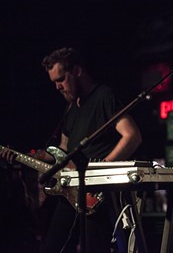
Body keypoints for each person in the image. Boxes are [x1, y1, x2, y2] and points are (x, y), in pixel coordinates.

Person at [1, 47, 142, 253]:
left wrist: (100, 169)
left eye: (61, 79)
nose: (58, 87)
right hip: (71, 189)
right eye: (54, 82)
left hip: (96, 190)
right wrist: (24, 157)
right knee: (51, 247)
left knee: (94, 248)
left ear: (77, 71)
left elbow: (132, 136)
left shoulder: (103, 95)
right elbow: (63, 150)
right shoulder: (71, 108)